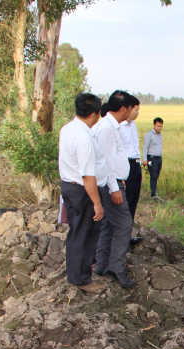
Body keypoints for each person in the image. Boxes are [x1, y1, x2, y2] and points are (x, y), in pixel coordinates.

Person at [59, 93, 106, 292]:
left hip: (68, 186)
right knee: (86, 234)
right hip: (82, 190)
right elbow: (88, 175)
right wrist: (97, 202)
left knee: (76, 232)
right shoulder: (84, 138)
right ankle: (83, 279)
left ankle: (74, 275)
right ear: (95, 113)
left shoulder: (67, 129)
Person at [91, 91, 137, 288]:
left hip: (114, 182)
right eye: (131, 108)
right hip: (110, 185)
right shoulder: (107, 129)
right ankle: (115, 268)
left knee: (110, 225)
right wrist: (114, 188)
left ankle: (101, 266)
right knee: (125, 224)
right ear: (123, 108)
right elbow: (105, 162)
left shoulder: (110, 126)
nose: (133, 112)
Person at [118, 97, 143, 244]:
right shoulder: (119, 126)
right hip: (124, 166)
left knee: (133, 202)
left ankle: (127, 237)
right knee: (124, 204)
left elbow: (135, 149)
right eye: (136, 109)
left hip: (135, 166)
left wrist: (139, 168)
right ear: (127, 108)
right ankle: (120, 241)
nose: (138, 113)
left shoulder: (133, 125)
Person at [143, 117, 163, 198]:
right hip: (152, 158)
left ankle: (154, 191)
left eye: (161, 126)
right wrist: (145, 160)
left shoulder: (160, 135)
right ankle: (153, 194)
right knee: (153, 176)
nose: (159, 128)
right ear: (154, 125)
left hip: (159, 158)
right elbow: (145, 147)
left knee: (157, 175)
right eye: (158, 126)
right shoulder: (149, 135)